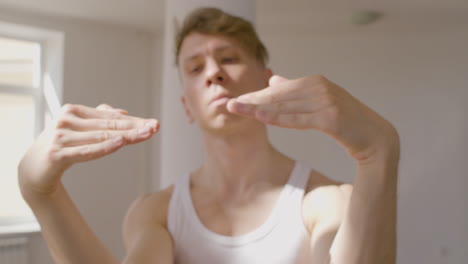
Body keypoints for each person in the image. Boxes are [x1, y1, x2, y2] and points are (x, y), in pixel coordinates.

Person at [18, 7, 400, 264]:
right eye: (195, 66)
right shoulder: (157, 213)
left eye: (229, 58)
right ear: (187, 104)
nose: (213, 73)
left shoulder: (327, 202)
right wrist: (42, 194)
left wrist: (379, 154)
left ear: (268, 81)